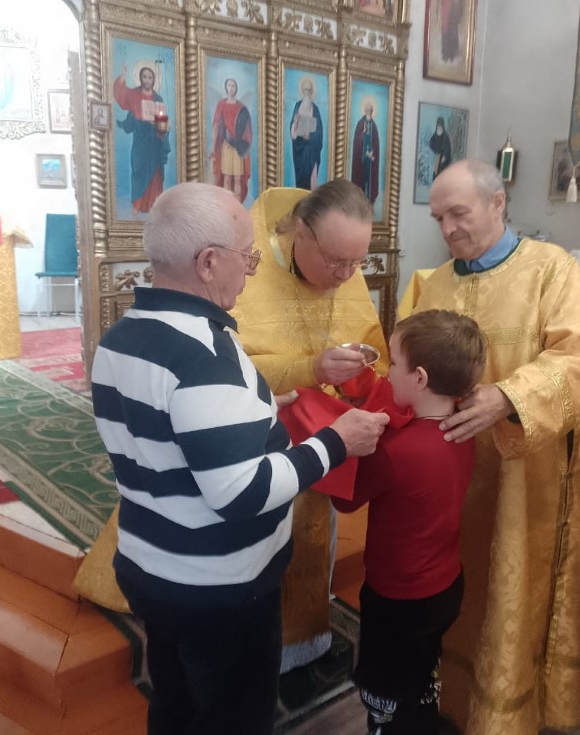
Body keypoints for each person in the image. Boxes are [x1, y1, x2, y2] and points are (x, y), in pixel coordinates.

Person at [91, 182, 389, 735]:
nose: (251, 271)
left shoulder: (120, 337)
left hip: (149, 567)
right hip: (217, 589)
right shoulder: (206, 355)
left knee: (176, 704)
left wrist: (259, 408)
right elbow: (243, 493)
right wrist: (336, 441)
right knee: (233, 718)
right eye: (246, 257)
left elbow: (164, 430)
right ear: (208, 263)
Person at [413, 159, 580, 733]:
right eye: (438, 218)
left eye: (459, 213)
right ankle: (452, 701)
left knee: (510, 581)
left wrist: (508, 397)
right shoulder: (434, 283)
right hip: (451, 474)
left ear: (497, 203)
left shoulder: (550, 270)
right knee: (452, 588)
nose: (448, 228)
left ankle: (507, 712)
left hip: (523, 474)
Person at [229, 178, 387, 673]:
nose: (345, 275)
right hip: (251, 446)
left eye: (357, 263)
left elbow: (371, 347)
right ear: (301, 232)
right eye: (336, 262)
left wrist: (358, 367)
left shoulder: (344, 263)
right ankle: (252, 655)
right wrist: (310, 368)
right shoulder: (246, 264)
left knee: (315, 540)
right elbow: (222, 369)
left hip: (321, 442)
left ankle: (306, 643)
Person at [332, 309, 486, 735]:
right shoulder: (463, 427)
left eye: (394, 363)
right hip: (445, 583)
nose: (387, 372)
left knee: (383, 684)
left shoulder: (395, 450)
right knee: (422, 666)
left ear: (419, 378)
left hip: (396, 596)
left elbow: (345, 500)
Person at [113, 64, 171, 215]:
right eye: (144, 77)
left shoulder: (158, 99)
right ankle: (137, 205)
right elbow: (122, 97)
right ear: (140, 78)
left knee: (156, 173)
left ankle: (155, 206)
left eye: (150, 77)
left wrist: (162, 125)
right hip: (140, 139)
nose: (147, 80)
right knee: (138, 170)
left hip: (154, 142)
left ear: (153, 80)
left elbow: (163, 123)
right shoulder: (135, 95)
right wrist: (123, 77)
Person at [211, 78, 252, 203]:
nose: (231, 88)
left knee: (238, 179)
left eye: (233, 85)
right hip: (226, 146)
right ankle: (227, 208)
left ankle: (237, 207)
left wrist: (244, 147)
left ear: (236, 88)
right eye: (229, 85)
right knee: (227, 178)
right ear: (226, 87)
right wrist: (213, 148)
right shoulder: (221, 105)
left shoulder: (241, 107)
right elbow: (216, 126)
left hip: (238, 148)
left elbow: (246, 131)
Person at [290, 76, 323, 190]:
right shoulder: (298, 106)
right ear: (302, 91)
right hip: (300, 151)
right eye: (305, 90)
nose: (307, 92)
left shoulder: (315, 109)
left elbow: (319, 132)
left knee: (311, 182)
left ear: (312, 91)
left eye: (309, 90)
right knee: (301, 180)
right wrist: (295, 123)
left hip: (311, 151)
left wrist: (310, 136)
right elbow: (292, 131)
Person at [351, 99, 380, 205]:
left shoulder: (374, 126)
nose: (368, 112)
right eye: (367, 110)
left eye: (370, 110)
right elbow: (356, 141)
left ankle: (369, 199)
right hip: (361, 161)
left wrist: (373, 154)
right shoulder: (360, 123)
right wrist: (362, 135)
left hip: (370, 162)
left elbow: (376, 144)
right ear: (364, 111)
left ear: (372, 111)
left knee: (369, 181)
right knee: (361, 180)